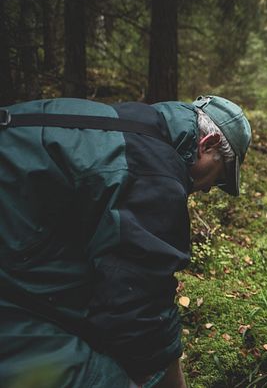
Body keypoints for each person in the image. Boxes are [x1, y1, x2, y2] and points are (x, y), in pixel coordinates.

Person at [0, 95, 252, 387]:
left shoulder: (125, 123)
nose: (209, 190)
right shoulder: (154, 174)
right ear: (206, 145)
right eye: (219, 177)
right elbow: (138, 311)